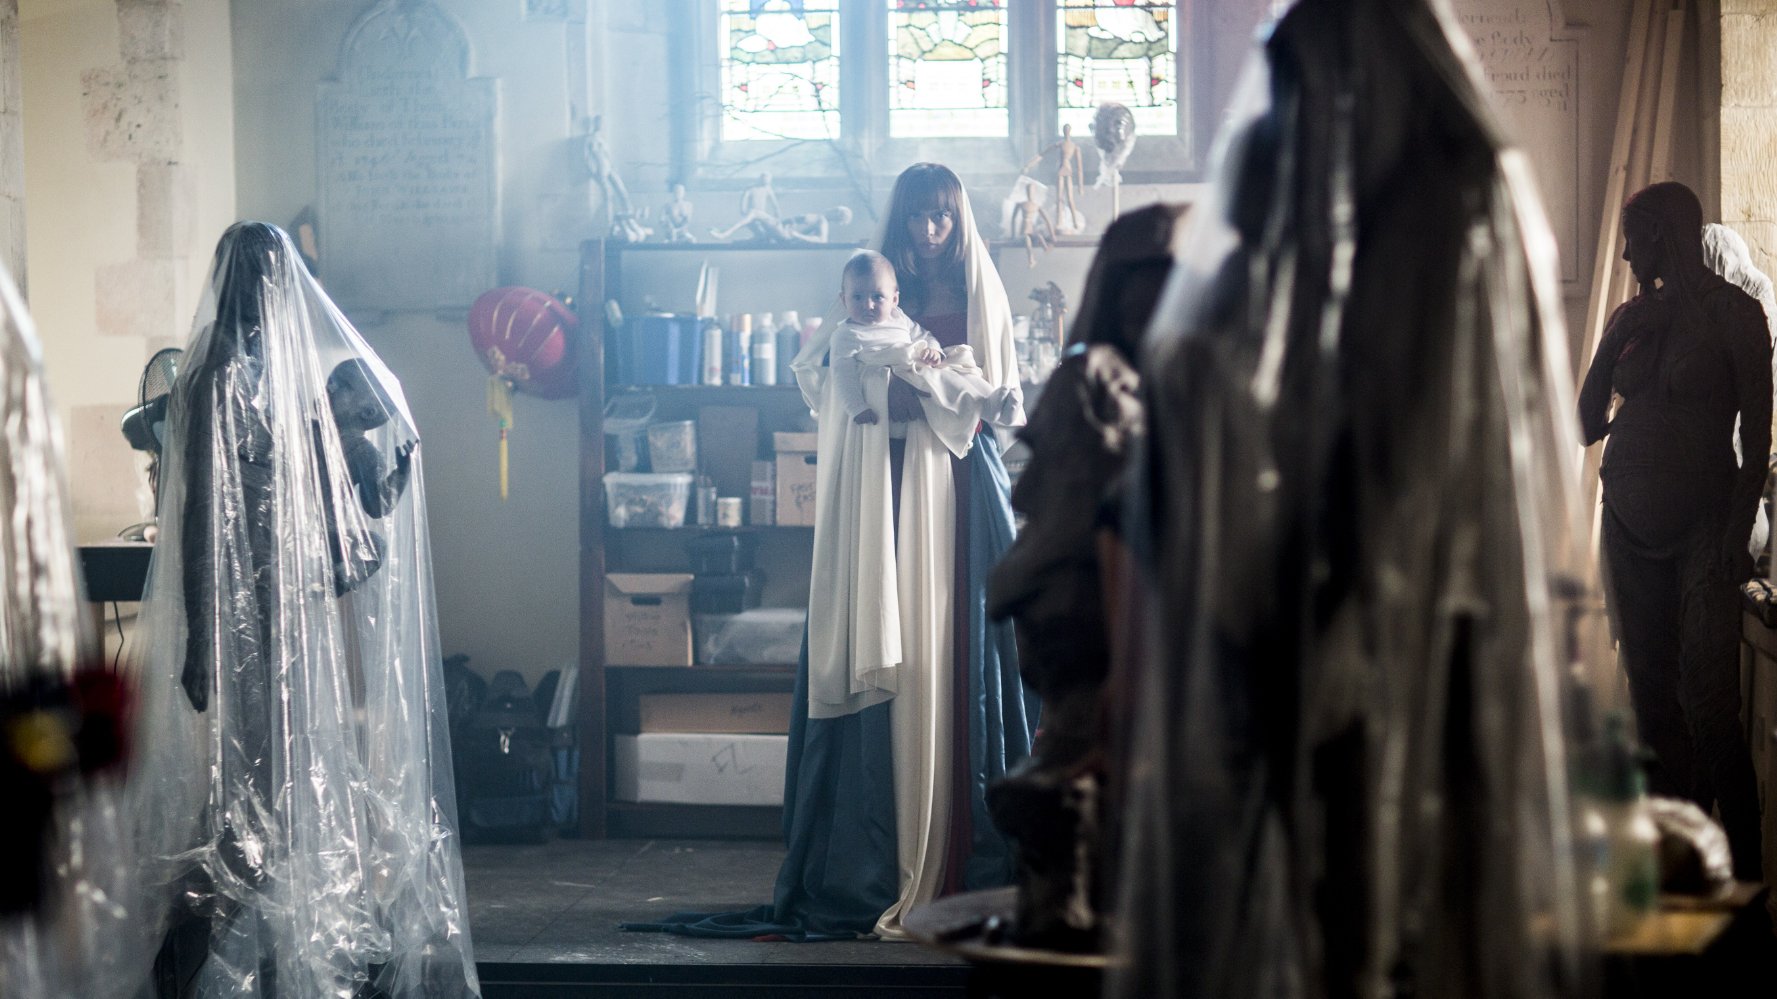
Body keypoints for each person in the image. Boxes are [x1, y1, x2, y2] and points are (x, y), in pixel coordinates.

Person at [626, 163, 1034, 942]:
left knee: (953, 648)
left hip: (952, 490)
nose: (928, 231)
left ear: (958, 221)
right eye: (915, 216)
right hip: (879, 484)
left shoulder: (980, 295)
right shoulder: (866, 295)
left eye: (941, 217)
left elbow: (995, 401)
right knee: (879, 632)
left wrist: (925, 391)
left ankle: (959, 854)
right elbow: (829, 380)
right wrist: (889, 389)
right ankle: (874, 856)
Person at [129, 222, 479, 997]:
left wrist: (378, 480)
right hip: (238, 619)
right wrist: (202, 636)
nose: (278, 297)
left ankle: (230, 958)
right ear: (247, 284)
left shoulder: (268, 372)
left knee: (276, 800)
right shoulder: (219, 374)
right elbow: (204, 511)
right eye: (269, 281)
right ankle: (181, 956)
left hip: (279, 614)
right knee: (247, 804)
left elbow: (306, 507)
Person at [1579, 181, 1771, 880]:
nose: (1626, 253)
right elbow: (1586, 424)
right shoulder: (1632, 317)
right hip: (1628, 531)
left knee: (1712, 710)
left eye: (1633, 238)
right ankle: (1679, 875)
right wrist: (1617, 337)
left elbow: (1758, 440)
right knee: (1653, 707)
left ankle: (1746, 883)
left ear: (1662, 234)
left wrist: (1734, 534)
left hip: (1701, 532)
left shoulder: (1735, 315)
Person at [831, 250, 1017, 434]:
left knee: (962, 372)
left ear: (894, 299)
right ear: (844, 299)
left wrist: (934, 350)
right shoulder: (846, 335)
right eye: (857, 297)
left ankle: (996, 403)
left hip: (919, 368)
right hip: (901, 377)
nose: (868, 305)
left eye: (877, 297)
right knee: (949, 385)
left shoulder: (898, 318)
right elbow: (842, 374)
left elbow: (924, 335)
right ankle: (986, 409)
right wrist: (857, 408)